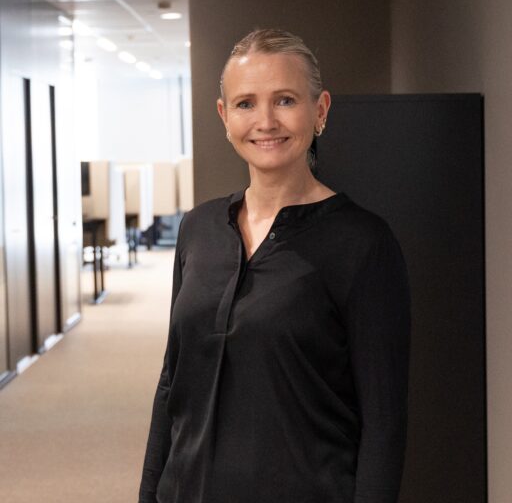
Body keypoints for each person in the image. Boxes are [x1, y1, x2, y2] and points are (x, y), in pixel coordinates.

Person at [139, 29, 411, 503]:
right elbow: (171, 382)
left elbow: (384, 421)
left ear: (320, 109)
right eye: (245, 104)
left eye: (285, 100)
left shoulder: (363, 243)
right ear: (224, 116)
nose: (265, 121)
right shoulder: (198, 229)